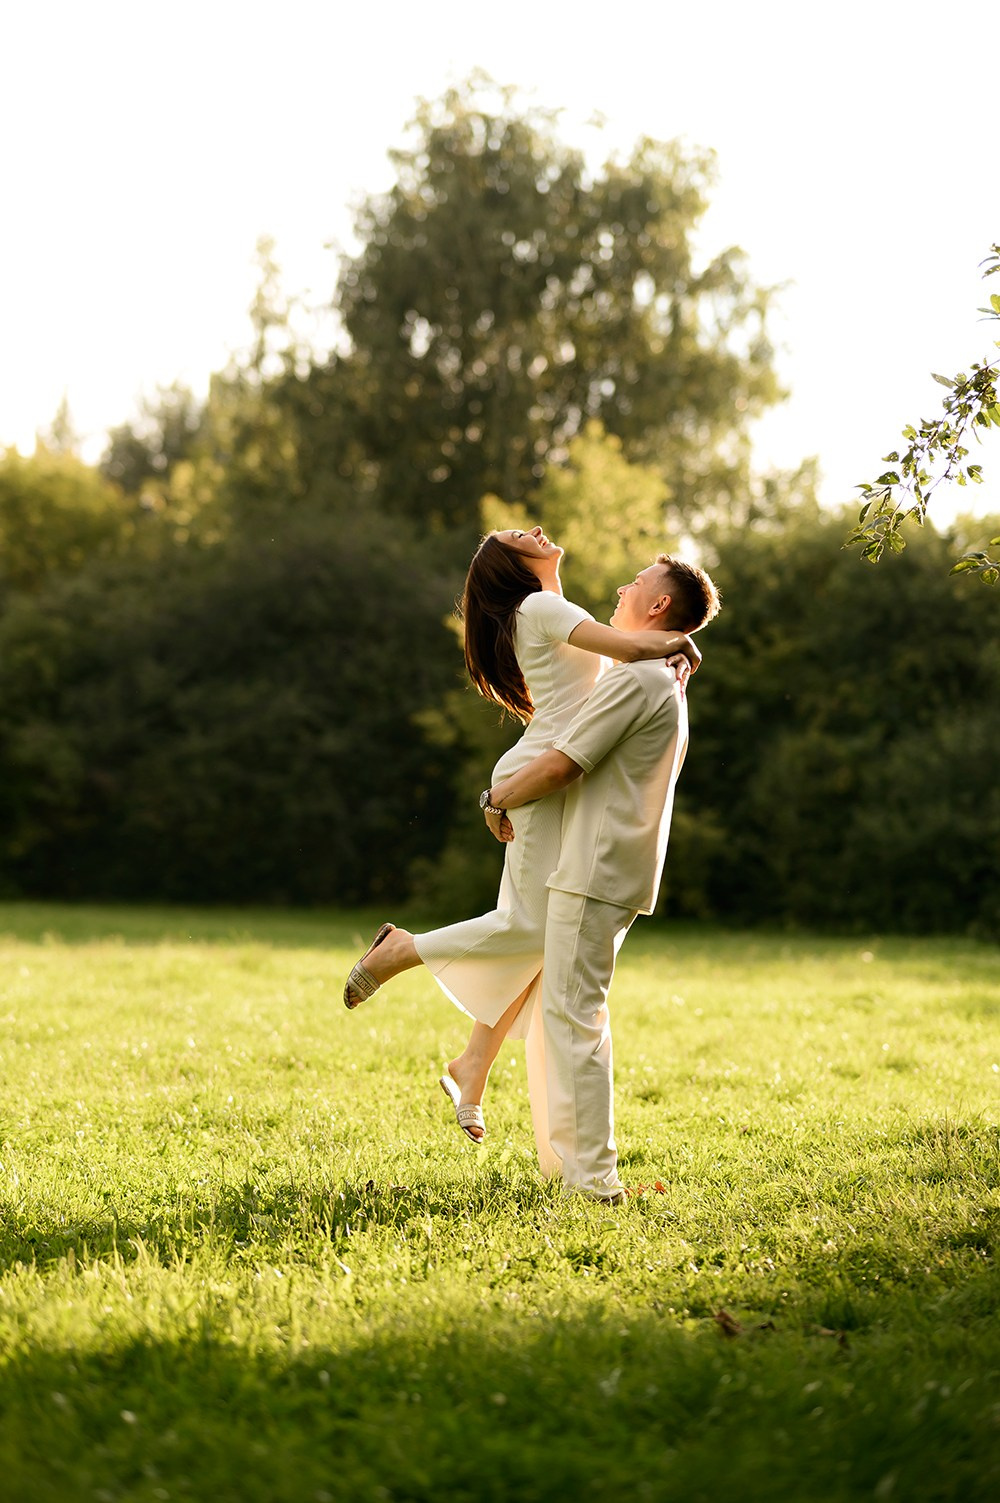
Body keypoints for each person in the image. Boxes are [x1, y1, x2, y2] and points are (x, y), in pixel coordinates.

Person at [343, 526, 701, 1144]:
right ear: (512, 563)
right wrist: (685, 646)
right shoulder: (540, 607)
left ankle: (472, 1067)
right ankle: (401, 949)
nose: (535, 530)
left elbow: (619, 653)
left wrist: (671, 646)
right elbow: (628, 646)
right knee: (534, 928)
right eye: (519, 535)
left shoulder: (549, 604)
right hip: (539, 774)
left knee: (544, 938)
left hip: (548, 772)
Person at [481, 554, 722, 1201]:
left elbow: (562, 764)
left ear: (659, 607)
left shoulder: (639, 680)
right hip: (606, 868)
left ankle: (594, 1180)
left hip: (594, 868)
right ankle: (574, 1169)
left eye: (635, 583)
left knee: (573, 1019)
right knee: (567, 1016)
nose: (621, 587)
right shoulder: (657, 676)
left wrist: (496, 795)